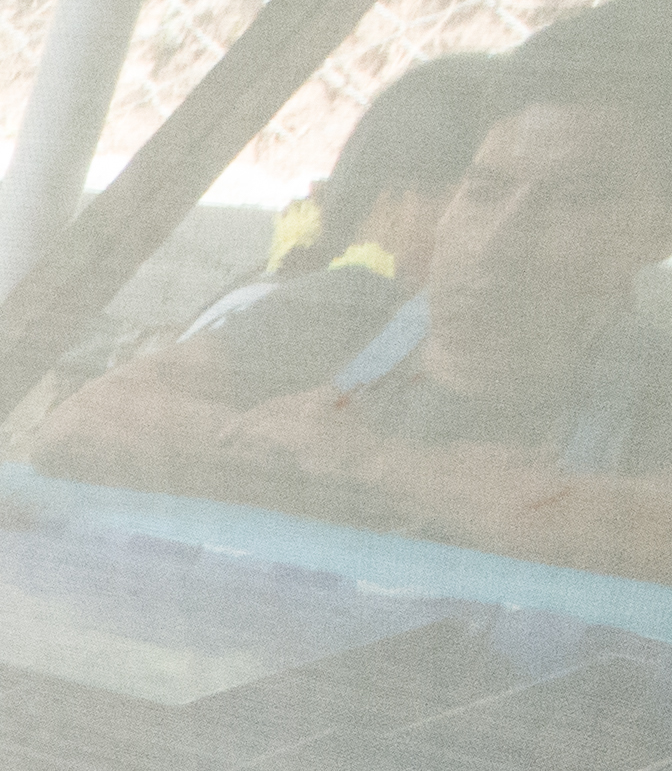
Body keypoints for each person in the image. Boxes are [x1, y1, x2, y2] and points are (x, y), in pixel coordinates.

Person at [57, 0, 672, 590]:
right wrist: (485, 498)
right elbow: (91, 418)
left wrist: (365, 462)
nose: (497, 238)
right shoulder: (336, 316)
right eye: (484, 188)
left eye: (571, 198)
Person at [26, 53, 509, 487]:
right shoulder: (350, 301)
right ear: (394, 204)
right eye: (483, 196)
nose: (507, 234)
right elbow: (104, 413)